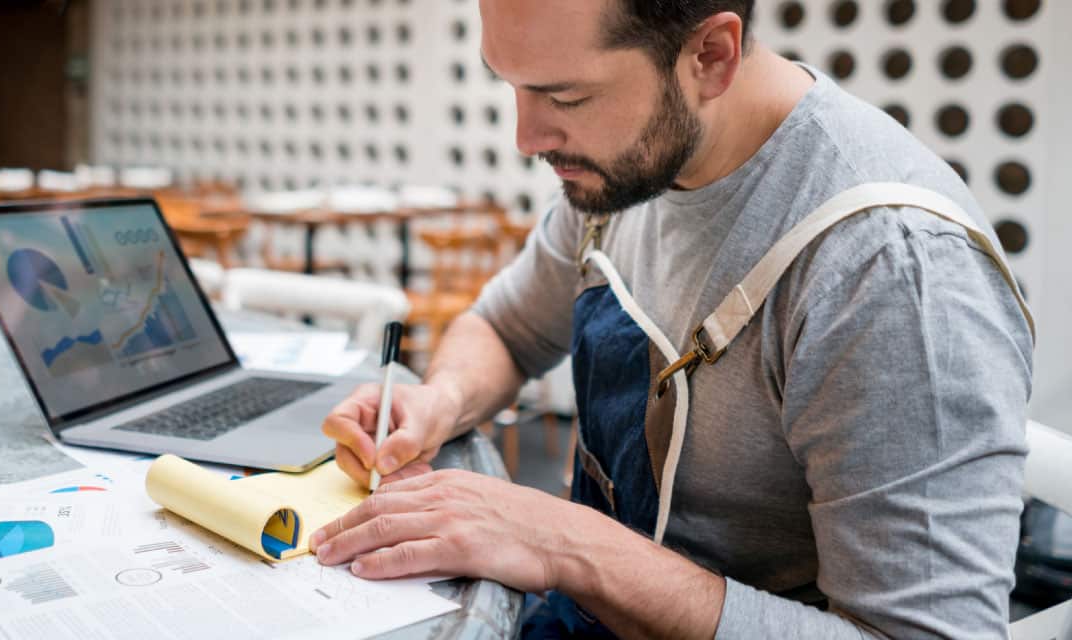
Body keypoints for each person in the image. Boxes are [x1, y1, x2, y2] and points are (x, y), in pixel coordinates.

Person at [310, 1, 1035, 637]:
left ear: (710, 56)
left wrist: (569, 545)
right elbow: (506, 327)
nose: (526, 138)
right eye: (512, 85)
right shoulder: (629, 167)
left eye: (565, 94)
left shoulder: (888, 270)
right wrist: (439, 401)